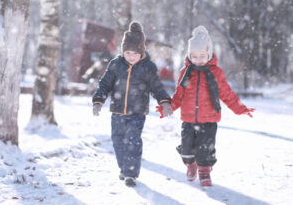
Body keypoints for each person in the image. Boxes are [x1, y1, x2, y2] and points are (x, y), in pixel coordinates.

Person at [171, 26, 255, 186]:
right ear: (189, 55)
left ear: (209, 54)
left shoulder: (215, 72)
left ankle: (204, 172)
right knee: (187, 148)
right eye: (194, 56)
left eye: (202, 55)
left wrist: (240, 108)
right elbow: (179, 94)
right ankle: (191, 165)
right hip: (188, 119)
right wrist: (168, 107)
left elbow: (227, 93)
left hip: (209, 119)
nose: (198, 59)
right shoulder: (185, 72)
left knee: (205, 148)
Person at [92, 21, 173, 187]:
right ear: (123, 50)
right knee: (117, 140)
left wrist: (164, 102)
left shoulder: (148, 67)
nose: (130, 56)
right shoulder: (115, 64)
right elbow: (105, 84)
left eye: (134, 53)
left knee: (132, 140)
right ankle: (123, 167)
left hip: (137, 113)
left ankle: (130, 173)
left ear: (141, 52)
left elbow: (157, 87)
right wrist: (98, 100)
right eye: (127, 52)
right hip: (117, 111)